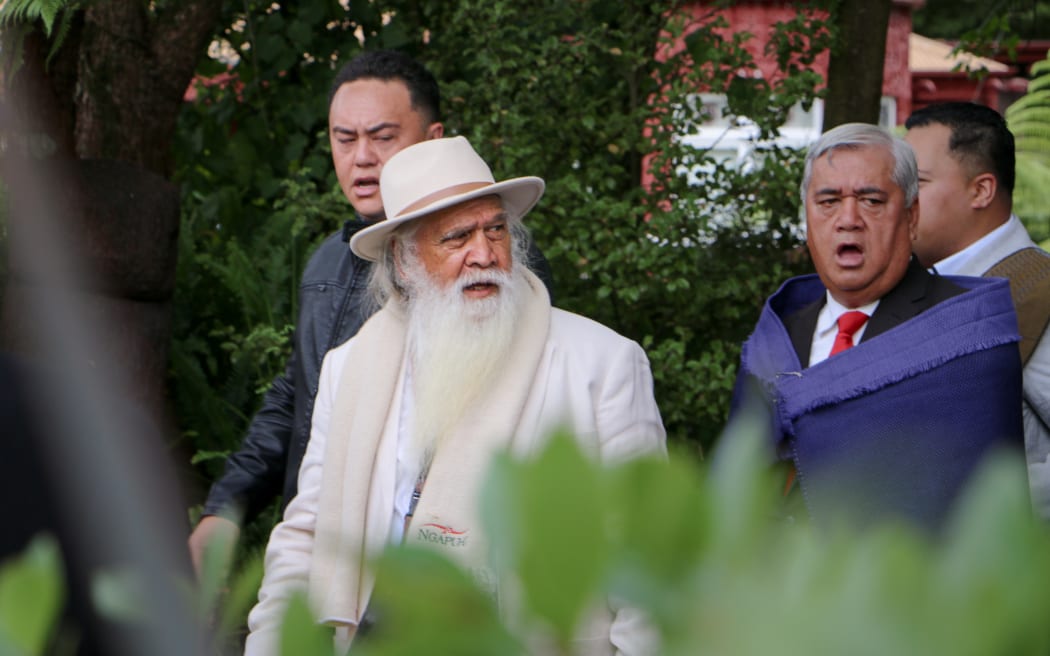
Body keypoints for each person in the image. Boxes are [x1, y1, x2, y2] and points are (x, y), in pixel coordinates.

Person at [243, 136, 667, 654]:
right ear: (404, 260)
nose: (484, 254)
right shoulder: (347, 367)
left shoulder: (603, 363)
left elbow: (649, 560)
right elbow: (307, 534)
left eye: (496, 230)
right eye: (456, 237)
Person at [187, 51, 554, 571]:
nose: (361, 157)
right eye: (344, 138)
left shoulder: (493, 268)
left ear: (433, 138)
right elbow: (299, 390)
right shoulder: (328, 261)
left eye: (382, 137)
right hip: (326, 550)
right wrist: (228, 505)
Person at [731, 122, 1023, 530]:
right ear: (807, 218)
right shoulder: (775, 335)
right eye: (828, 201)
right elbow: (740, 486)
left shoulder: (963, 332)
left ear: (911, 216)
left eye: (871, 200)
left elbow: (981, 515)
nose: (848, 219)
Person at [904, 101, 1050, 518]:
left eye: (918, 182)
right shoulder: (927, 286)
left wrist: (984, 508)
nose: (899, 199)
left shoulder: (1036, 292)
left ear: (981, 190)